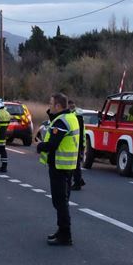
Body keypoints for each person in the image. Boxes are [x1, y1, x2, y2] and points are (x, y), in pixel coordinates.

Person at [36, 93, 80, 246]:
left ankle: (65, 235)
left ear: (58, 106)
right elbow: (53, 123)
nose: (49, 106)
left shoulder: (61, 122)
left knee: (60, 202)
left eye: (51, 104)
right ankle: (61, 231)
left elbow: (53, 144)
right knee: (62, 201)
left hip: (60, 166)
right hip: (67, 166)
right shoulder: (70, 117)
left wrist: (39, 146)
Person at [68, 100, 86, 191]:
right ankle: (79, 180)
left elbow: (78, 131)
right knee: (75, 164)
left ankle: (77, 183)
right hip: (79, 143)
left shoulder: (76, 115)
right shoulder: (77, 113)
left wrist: (78, 146)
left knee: (75, 164)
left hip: (77, 143)